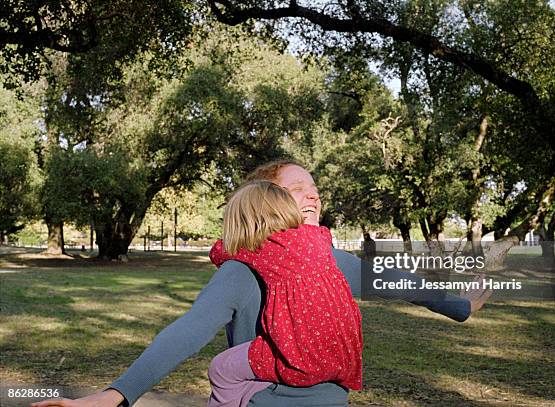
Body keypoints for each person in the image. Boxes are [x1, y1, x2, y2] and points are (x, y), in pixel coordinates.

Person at [31, 159, 491, 407]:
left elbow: (400, 282)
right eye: (296, 189)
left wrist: (116, 396)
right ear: (270, 202)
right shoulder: (256, 267)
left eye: (314, 188)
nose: (312, 195)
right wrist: (461, 307)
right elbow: (191, 330)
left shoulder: (299, 261)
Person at [207, 180, 362, 406]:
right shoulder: (319, 237)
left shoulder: (262, 246)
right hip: (346, 357)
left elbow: (221, 251)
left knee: (221, 369)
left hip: (302, 360)